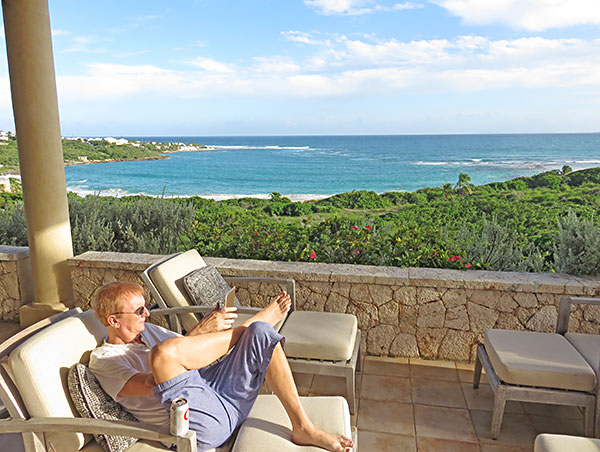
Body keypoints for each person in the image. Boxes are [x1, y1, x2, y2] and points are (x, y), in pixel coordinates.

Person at [89, 281, 353, 452]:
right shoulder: (105, 359)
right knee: (162, 354)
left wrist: (202, 334)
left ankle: (304, 427)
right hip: (199, 423)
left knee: (261, 332)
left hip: (217, 391)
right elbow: (156, 383)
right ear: (113, 320)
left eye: (146, 308)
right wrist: (202, 331)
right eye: (139, 312)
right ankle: (244, 330)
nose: (147, 314)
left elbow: (187, 355)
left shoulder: (151, 331)